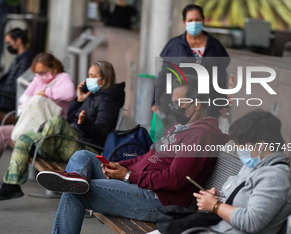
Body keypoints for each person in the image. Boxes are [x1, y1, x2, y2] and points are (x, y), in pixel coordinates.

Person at [36, 74, 229, 234]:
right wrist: (121, 166)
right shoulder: (182, 127)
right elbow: (148, 155)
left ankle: (76, 183)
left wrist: (128, 176)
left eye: (179, 104)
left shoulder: (201, 135)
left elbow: (175, 179)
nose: (175, 109)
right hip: (138, 183)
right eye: (173, 104)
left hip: (156, 200)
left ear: (196, 104)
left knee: (77, 191)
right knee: (82, 157)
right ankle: (76, 180)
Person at [0, 61, 125, 201]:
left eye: (92, 75)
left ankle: (37, 144)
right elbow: (72, 118)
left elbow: (102, 132)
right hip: (71, 141)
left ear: (104, 79)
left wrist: (84, 123)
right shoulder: (92, 95)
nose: (88, 79)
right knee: (24, 139)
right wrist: (78, 100)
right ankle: (11, 185)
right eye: (88, 75)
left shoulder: (108, 101)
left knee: (57, 121)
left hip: (86, 148)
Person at [0, 53, 75, 184]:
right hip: (34, 123)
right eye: (38, 73)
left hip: (48, 130)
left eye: (43, 72)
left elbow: (69, 93)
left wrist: (46, 92)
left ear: (54, 68)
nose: (40, 76)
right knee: (1, 131)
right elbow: (26, 96)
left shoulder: (63, 78)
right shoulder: (39, 78)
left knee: (3, 133)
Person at [193, 110, 291, 234]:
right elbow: (241, 200)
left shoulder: (276, 177)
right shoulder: (253, 165)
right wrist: (219, 197)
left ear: (260, 145)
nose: (238, 150)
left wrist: (216, 206)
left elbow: (252, 222)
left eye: (242, 145)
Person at [153, 4, 230, 122]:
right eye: (190, 20)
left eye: (197, 20)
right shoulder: (174, 46)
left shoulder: (215, 47)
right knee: (180, 137)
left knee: (204, 138)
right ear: (184, 23)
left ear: (203, 20)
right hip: (181, 106)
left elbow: (221, 78)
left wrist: (224, 104)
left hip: (208, 106)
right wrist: (155, 100)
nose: (194, 23)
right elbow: (163, 74)